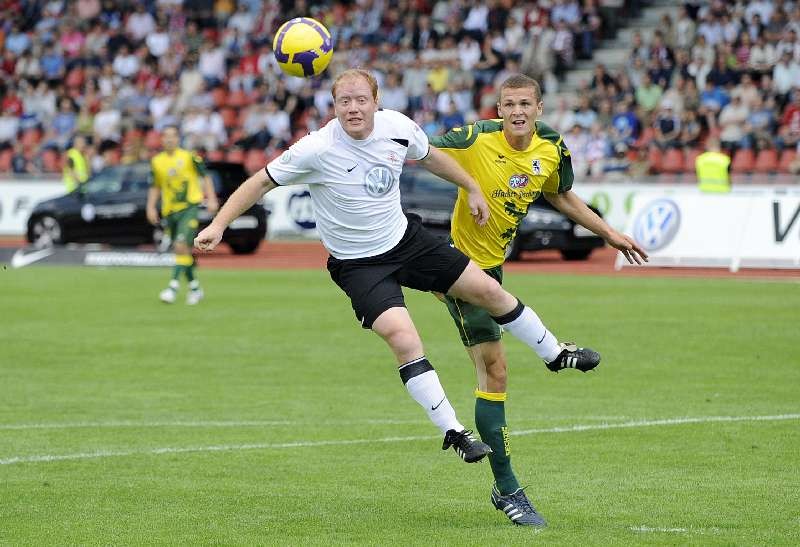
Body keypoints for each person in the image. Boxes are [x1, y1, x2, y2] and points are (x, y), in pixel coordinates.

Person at [194, 69, 603, 470]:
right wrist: (218, 224)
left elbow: (432, 158)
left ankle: (553, 354)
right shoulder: (315, 149)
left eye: (361, 100)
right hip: (358, 265)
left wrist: (472, 186)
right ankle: (454, 432)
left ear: (376, 103)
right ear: (333, 106)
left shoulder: (397, 127)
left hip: (406, 241)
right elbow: (259, 183)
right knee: (404, 339)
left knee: (488, 291)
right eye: (343, 101)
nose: (353, 108)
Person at [430, 74, 648, 527]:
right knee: (496, 369)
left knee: (495, 372)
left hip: (493, 266)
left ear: (539, 108)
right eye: (508, 104)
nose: (516, 112)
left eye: (524, 104)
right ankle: (507, 488)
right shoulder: (474, 138)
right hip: (459, 266)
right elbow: (420, 149)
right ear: (498, 108)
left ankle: (553, 354)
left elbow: (560, 194)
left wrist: (609, 233)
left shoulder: (551, 146)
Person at [147, 125, 219, 305]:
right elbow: (155, 186)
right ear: (161, 139)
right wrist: (150, 207)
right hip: (170, 211)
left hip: (189, 208)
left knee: (180, 245)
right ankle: (195, 288)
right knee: (183, 251)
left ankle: (172, 288)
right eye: (166, 136)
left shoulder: (189, 157)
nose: (169, 139)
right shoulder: (157, 161)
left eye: (173, 136)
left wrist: (211, 198)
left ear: (178, 138)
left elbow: (206, 176)